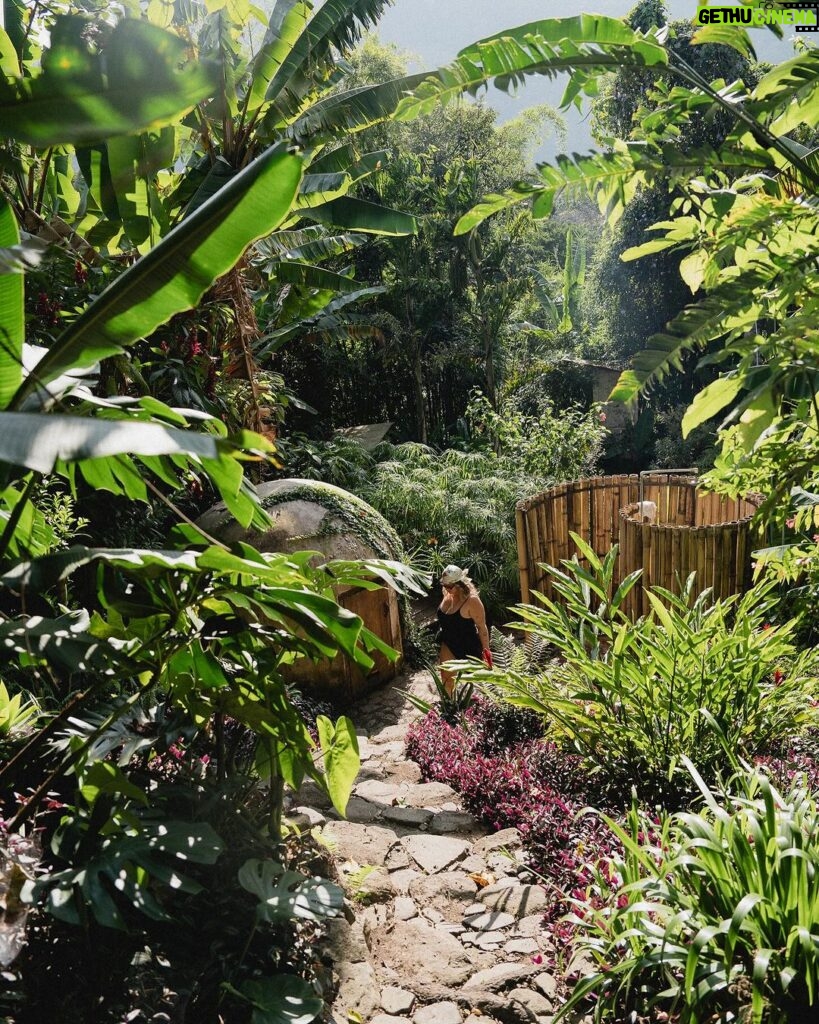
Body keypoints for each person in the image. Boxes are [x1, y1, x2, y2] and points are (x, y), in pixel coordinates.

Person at [436, 564, 492, 694]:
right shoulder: (447, 594)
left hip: (468, 645)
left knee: (477, 683)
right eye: (444, 585)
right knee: (446, 678)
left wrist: (487, 652)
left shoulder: (472, 601)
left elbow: (482, 628)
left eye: (449, 586)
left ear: (460, 584)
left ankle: (480, 709)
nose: (446, 589)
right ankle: (449, 709)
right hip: (449, 641)